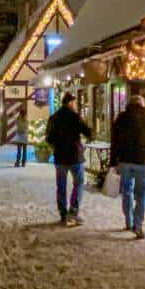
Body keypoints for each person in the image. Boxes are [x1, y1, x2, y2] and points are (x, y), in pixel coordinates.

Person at [110, 94, 145, 239]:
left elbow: (114, 142)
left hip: (125, 161)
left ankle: (128, 221)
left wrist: (114, 161)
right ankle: (137, 224)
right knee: (144, 193)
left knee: (127, 191)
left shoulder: (121, 118)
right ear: (141, 104)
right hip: (142, 160)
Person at [45, 92, 91, 225]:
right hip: (75, 156)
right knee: (79, 183)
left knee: (61, 186)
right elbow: (88, 132)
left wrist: (56, 146)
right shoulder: (75, 116)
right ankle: (73, 212)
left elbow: (48, 137)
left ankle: (63, 214)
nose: (76, 105)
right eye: (75, 103)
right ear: (70, 103)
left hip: (60, 157)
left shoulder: (54, 118)